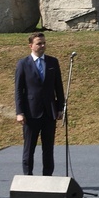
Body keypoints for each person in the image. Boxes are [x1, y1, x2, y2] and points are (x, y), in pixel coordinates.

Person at [14, 32, 65, 176]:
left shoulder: (52, 62)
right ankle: (27, 176)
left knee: (48, 148)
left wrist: (60, 107)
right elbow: (18, 90)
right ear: (31, 46)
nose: (42, 46)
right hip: (31, 113)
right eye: (39, 43)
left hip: (49, 112)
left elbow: (58, 87)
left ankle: (47, 176)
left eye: (44, 43)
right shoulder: (23, 64)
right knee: (29, 147)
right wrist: (19, 112)